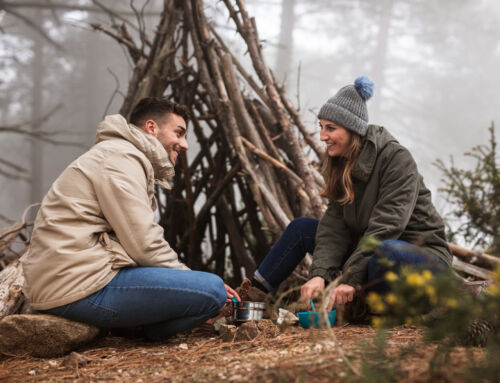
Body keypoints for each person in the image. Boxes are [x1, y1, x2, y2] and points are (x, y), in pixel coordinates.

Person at [21, 97, 239, 340]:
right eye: (179, 133)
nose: (184, 145)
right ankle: (137, 334)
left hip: (72, 281)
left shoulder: (119, 155)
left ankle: (129, 329)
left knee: (207, 292)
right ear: (151, 128)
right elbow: (143, 242)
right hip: (78, 286)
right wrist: (188, 279)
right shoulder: (121, 159)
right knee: (211, 291)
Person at [246, 76, 452, 314]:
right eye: (321, 127)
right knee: (302, 229)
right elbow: (334, 226)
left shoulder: (396, 160)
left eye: (331, 128)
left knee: (385, 251)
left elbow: (387, 227)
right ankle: (250, 299)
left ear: (353, 129)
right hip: (373, 250)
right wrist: (319, 274)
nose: (322, 136)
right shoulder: (341, 162)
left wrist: (350, 279)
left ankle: (369, 310)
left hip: (418, 256)